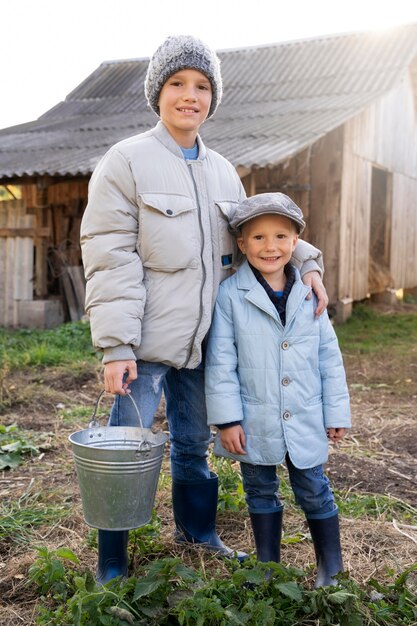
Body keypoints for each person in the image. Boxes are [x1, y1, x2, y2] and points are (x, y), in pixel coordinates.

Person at [80, 35, 328, 585]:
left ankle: (197, 534)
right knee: (126, 446)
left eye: (201, 86)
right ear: (158, 93)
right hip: (144, 341)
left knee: (195, 443)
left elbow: (260, 231)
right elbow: (109, 257)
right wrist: (116, 344)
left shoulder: (222, 171)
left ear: (212, 98)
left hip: (206, 339)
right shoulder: (126, 161)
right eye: (177, 84)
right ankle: (113, 562)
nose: (189, 96)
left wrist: (308, 262)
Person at [205, 192, 351, 587]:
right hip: (254, 418)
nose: (271, 247)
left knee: (314, 488)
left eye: (281, 237)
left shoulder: (310, 294)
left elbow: (329, 358)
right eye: (258, 238)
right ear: (241, 243)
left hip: (304, 413)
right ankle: (268, 566)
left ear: (296, 242)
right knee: (260, 490)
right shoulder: (230, 296)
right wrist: (227, 419)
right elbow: (221, 363)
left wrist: (336, 414)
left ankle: (330, 567)